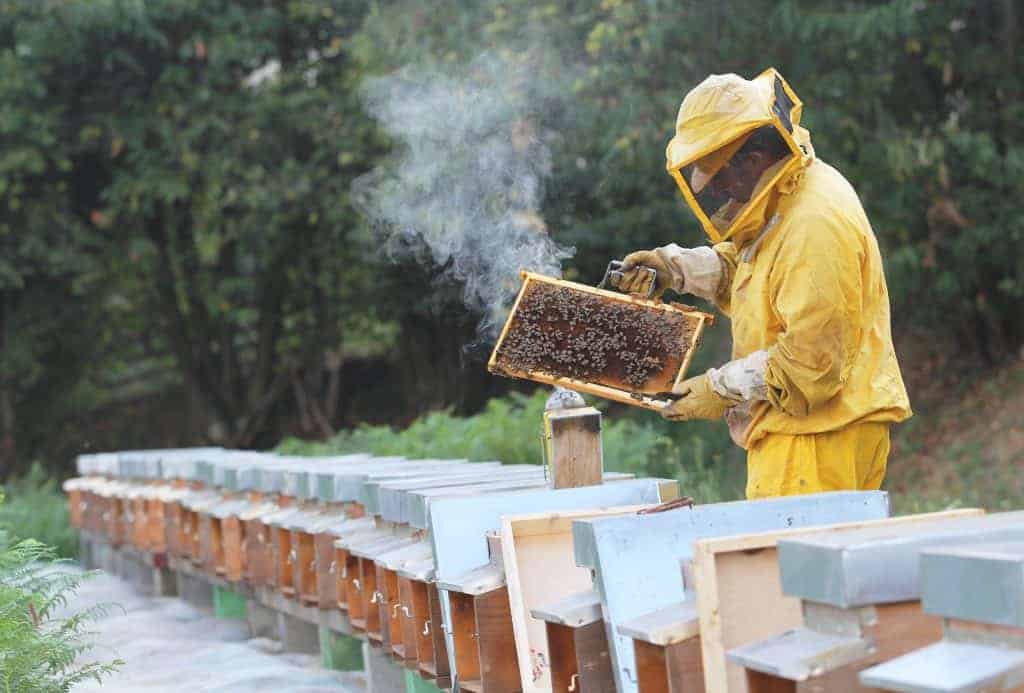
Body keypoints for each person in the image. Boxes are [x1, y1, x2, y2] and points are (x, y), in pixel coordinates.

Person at [612, 68, 911, 499]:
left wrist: (719, 389)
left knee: (792, 546)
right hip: (813, 434)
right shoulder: (788, 195)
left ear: (752, 161)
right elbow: (753, 269)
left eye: (717, 177)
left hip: (816, 439)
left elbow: (810, 366)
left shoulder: (813, 225)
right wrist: (674, 268)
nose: (717, 192)